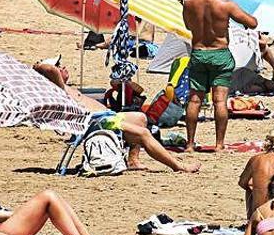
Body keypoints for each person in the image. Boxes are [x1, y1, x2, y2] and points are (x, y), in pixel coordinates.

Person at [33, 62, 200, 173]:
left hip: (105, 117)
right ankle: (179, 166)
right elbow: (50, 70)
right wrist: (40, 66)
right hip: (97, 122)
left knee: (140, 118)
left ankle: (133, 160)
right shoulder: (57, 88)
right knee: (143, 134)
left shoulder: (65, 87)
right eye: (59, 66)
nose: (63, 67)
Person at [181, 0, 258, 152]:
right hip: (220, 53)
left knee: (194, 101)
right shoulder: (225, 5)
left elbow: (187, 25)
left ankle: (190, 144)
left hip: (199, 53)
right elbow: (252, 23)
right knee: (220, 101)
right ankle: (219, 144)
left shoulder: (189, 3)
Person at [238, 127, 274, 219]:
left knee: (250, 186)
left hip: (259, 217)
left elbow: (242, 183)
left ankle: (250, 218)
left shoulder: (255, 159)